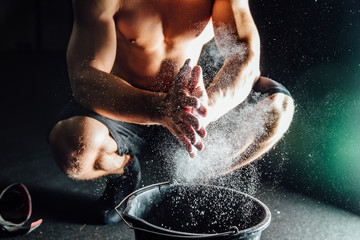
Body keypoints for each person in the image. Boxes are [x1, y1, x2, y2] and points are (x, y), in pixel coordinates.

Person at [49, 0, 294, 224]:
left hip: (189, 104)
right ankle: (124, 166)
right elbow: (85, 78)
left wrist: (207, 108)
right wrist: (161, 108)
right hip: (127, 105)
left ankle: (195, 180)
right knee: (73, 146)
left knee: (278, 108)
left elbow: (246, 58)